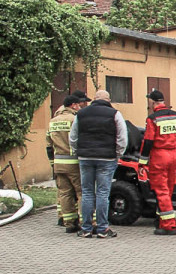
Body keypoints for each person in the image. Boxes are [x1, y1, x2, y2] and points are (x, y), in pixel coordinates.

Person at [69, 89, 127, 239]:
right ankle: (102, 228)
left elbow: (73, 137)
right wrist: (118, 154)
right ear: (108, 100)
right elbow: (122, 137)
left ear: (94, 99)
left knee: (87, 192)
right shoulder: (114, 114)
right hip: (106, 158)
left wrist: (78, 151)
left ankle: (86, 228)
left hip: (85, 158)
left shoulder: (81, 114)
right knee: (102, 193)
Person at [138, 89, 176, 236]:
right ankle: (160, 220)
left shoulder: (153, 118)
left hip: (159, 156)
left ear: (153, 102)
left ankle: (169, 225)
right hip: (173, 155)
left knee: (161, 191)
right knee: (168, 189)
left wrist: (143, 162)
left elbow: (148, 141)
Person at [46, 92, 86, 233]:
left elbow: (48, 144)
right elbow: (80, 140)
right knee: (81, 192)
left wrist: (53, 163)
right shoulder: (74, 119)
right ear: (73, 105)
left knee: (64, 193)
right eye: (78, 105)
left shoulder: (53, 121)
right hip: (73, 162)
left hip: (58, 163)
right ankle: (83, 221)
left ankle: (69, 223)